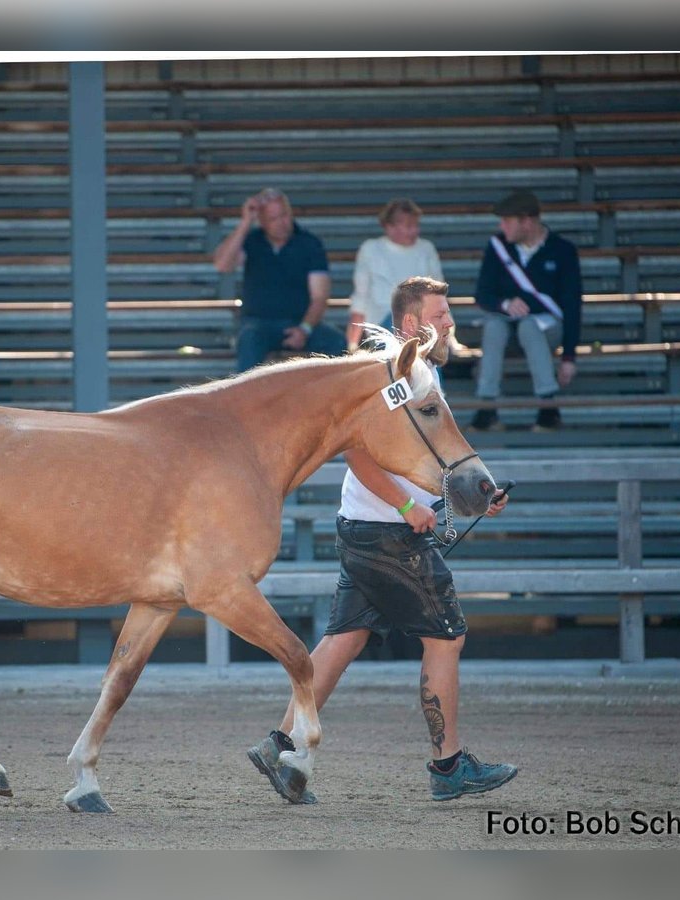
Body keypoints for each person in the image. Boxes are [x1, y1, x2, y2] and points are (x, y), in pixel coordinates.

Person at [246, 275, 517, 805]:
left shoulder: (414, 370)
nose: (449, 323)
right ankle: (449, 766)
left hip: (365, 527)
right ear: (411, 323)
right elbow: (358, 451)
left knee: (345, 638)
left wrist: (477, 492)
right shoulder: (397, 373)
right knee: (446, 638)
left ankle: (280, 744)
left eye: (449, 314)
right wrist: (407, 506)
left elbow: (427, 456)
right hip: (389, 532)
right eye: (440, 315)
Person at [470, 189, 583, 432]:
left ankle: (547, 406)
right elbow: (483, 294)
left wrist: (569, 358)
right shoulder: (498, 247)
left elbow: (572, 304)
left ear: (527, 221)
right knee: (493, 326)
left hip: (546, 328)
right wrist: (505, 304)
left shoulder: (562, 250)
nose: (502, 227)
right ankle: (486, 407)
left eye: (507, 221)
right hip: (506, 326)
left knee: (530, 326)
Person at [212, 188, 347, 372]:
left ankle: (334, 400)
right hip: (258, 324)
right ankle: (248, 401)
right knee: (249, 340)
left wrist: (304, 329)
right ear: (261, 221)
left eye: (284, 215)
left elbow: (320, 296)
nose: (281, 223)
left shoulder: (309, 244)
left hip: (300, 322)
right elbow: (222, 264)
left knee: (338, 342)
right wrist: (245, 223)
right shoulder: (251, 241)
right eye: (273, 219)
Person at [346, 198, 444, 350]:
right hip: (383, 326)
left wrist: (448, 335)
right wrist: (352, 342)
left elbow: (439, 296)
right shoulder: (371, 249)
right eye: (408, 226)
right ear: (389, 227)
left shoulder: (426, 249)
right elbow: (361, 297)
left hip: (423, 325)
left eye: (416, 225)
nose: (414, 231)